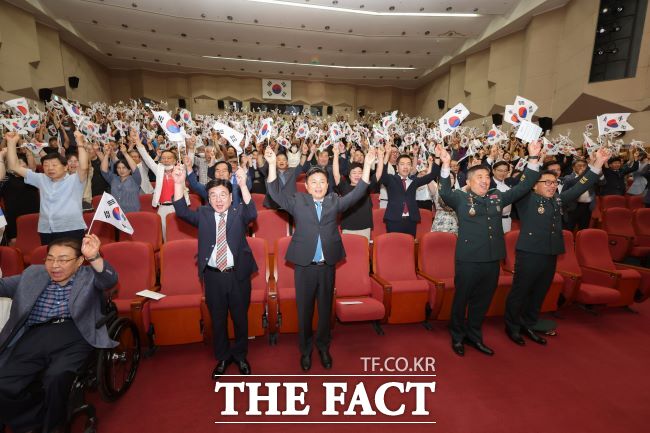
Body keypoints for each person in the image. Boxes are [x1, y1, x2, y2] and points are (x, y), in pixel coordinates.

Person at [264, 145, 376, 371]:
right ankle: (305, 350)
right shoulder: (298, 201)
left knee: (325, 310)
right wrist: (273, 165)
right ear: (306, 186)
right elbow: (275, 193)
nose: (318, 186)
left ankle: (323, 347)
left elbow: (357, 193)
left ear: (327, 185)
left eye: (322, 182)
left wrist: (367, 168)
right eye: (313, 182)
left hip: (327, 266)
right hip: (304, 266)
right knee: (304, 310)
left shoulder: (334, 201)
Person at [0, 234, 118, 433]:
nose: (55, 265)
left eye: (63, 260)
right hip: (36, 334)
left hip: (75, 334)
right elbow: (3, 286)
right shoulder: (33, 274)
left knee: (56, 379)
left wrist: (95, 257)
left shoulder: (89, 276)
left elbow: (109, 279)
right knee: (5, 380)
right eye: (51, 258)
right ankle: (32, 422)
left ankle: (54, 427)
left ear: (79, 261)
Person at [437, 141, 542, 357]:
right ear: (469, 181)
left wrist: (532, 157)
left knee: (482, 300)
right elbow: (445, 192)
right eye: (480, 177)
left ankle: (474, 335)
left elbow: (523, 187)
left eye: (487, 177)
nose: (485, 181)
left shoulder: (497, 196)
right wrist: (446, 164)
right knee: (462, 298)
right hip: (468, 260)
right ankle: (457, 336)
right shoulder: (461, 198)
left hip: (493, 259)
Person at [504, 148, 610, 345]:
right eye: (547, 183)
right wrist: (534, 158)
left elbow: (579, 187)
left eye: (554, 183)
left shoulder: (556, 200)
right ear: (534, 185)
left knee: (539, 291)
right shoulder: (526, 198)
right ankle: (512, 326)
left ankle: (530, 323)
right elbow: (525, 181)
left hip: (550, 252)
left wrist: (596, 165)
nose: (552, 186)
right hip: (529, 253)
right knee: (521, 290)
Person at [172, 165, 257, 378]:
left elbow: (252, 212)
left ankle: (240, 355)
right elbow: (181, 211)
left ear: (231, 197)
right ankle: (222, 357)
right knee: (218, 320)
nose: (219, 200)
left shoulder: (239, 213)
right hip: (213, 277)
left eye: (223, 195)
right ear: (208, 199)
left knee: (240, 318)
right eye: (213, 196)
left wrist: (243, 185)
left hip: (237, 276)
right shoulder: (203, 214)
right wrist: (178, 182)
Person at [5, 131, 88, 245]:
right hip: (46, 230)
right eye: (46, 165)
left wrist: (80, 143)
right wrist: (11, 143)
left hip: (71, 228)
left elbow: (83, 167)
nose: (50, 168)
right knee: (50, 261)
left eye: (54, 165)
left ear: (65, 167)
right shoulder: (41, 179)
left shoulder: (75, 180)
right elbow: (14, 166)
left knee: (71, 261)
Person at [380, 150, 440, 237]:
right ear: (397, 167)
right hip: (394, 220)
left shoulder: (414, 180)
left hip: (411, 221)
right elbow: (382, 175)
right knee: (394, 246)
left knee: (409, 247)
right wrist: (387, 154)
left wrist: (437, 157)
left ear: (411, 167)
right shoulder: (390, 179)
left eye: (408, 164)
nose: (405, 167)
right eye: (402, 164)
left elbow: (432, 175)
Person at [333, 144, 384, 240]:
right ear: (349, 176)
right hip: (347, 226)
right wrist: (336, 155)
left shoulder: (366, 187)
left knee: (363, 252)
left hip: (364, 227)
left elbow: (378, 173)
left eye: (360, 173)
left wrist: (380, 156)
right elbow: (336, 174)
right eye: (354, 173)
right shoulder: (344, 187)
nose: (357, 175)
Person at [100, 142, 141, 213]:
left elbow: (135, 168)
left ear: (129, 169)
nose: (121, 170)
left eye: (124, 168)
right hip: (117, 215)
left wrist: (125, 153)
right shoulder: (113, 178)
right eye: (118, 168)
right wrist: (106, 154)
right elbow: (103, 170)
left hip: (132, 214)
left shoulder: (135, 179)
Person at [562, 157, 597, 231]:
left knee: (584, 228)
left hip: (587, 207)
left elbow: (602, 182)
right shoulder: (568, 178)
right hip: (573, 207)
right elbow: (572, 185)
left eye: (584, 166)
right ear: (573, 167)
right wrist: (584, 175)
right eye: (579, 165)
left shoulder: (590, 178)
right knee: (569, 228)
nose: (582, 167)